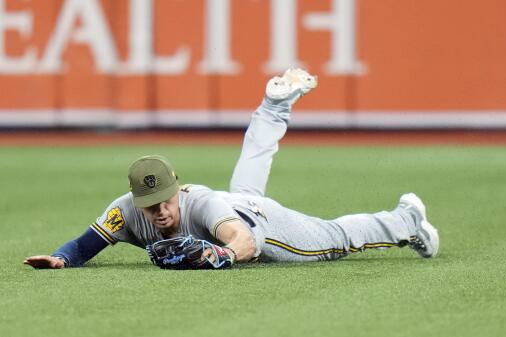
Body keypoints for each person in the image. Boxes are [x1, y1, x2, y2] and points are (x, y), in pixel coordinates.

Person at [23, 68, 439, 270]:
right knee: (251, 169)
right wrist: (61, 259)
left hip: (257, 222)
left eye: (164, 202)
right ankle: (274, 107)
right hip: (236, 201)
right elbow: (85, 244)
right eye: (150, 207)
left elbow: (245, 242)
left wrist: (218, 255)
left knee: (334, 240)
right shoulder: (125, 211)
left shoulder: (199, 205)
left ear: (178, 190)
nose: (160, 213)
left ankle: (407, 220)